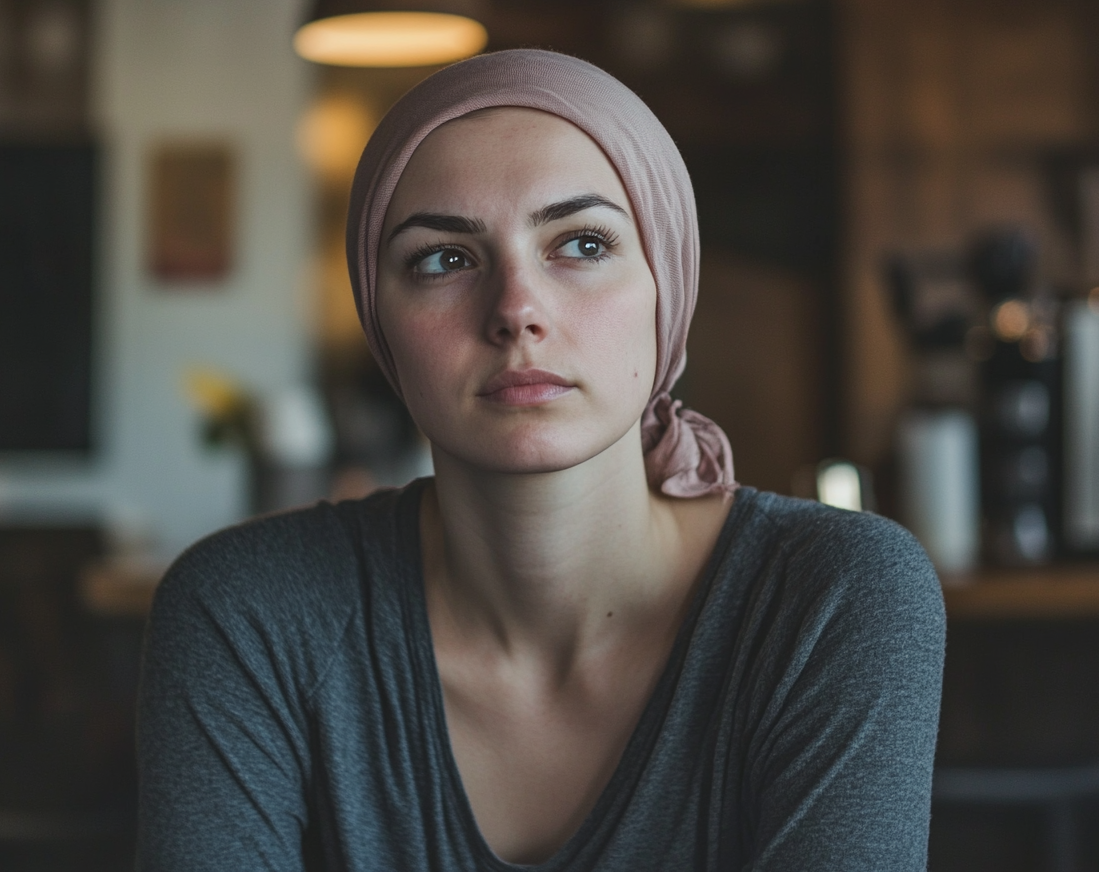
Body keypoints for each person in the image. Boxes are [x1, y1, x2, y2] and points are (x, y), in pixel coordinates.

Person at [137, 49, 945, 871]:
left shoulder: (835, 594)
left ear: (669, 287)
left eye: (583, 244)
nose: (517, 309)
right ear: (381, 326)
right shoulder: (246, 615)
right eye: (443, 260)